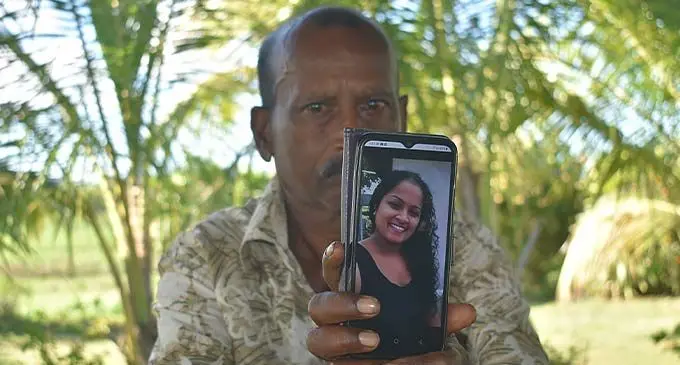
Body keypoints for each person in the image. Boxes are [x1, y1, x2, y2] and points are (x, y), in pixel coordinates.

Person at [148, 5, 550, 365]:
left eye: (373, 105)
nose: (349, 132)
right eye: (317, 107)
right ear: (264, 133)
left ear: (402, 119)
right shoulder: (205, 257)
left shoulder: (466, 250)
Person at [350, 170, 443, 359]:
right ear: (376, 205)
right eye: (395, 205)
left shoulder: (420, 261)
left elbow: (433, 324)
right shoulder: (351, 260)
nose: (403, 217)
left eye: (414, 213)